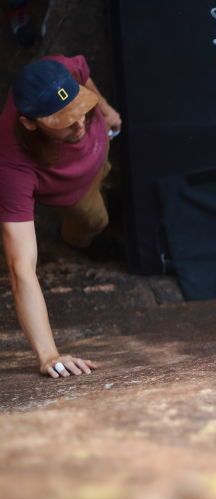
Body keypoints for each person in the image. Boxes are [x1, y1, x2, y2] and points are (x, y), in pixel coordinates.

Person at [0, 55, 122, 377]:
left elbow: (84, 72)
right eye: (63, 121)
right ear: (30, 122)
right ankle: (75, 240)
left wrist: (104, 110)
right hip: (76, 193)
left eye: (80, 109)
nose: (80, 123)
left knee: (109, 170)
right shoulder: (11, 166)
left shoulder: (57, 69)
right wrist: (48, 354)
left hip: (103, 146)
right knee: (94, 221)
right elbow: (20, 268)